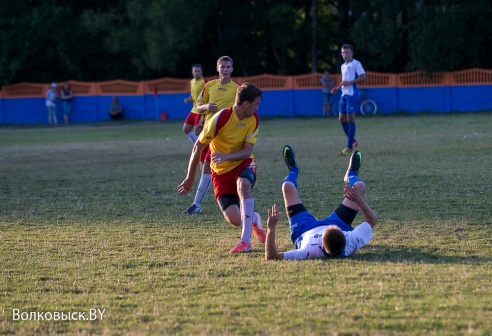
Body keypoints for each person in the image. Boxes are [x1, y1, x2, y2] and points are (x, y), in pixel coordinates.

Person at [177, 83, 266, 254]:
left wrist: (226, 156)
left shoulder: (253, 118)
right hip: (220, 171)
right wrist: (190, 177)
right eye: (256, 104)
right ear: (246, 104)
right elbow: (198, 146)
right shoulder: (220, 119)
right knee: (233, 219)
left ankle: (245, 242)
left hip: (244, 163)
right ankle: (253, 219)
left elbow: (248, 150)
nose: (258, 107)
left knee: (244, 186)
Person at [265, 145, 376, 260]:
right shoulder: (351, 241)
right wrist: (358, 200)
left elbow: (272, 257)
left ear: (321, 244)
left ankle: (293, 170)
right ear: (344, 235)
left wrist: (271, 228)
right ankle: (351, 174)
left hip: (304, 229)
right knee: (360, 186)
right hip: (338, 223)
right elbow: (371, 220)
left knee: (287, 186)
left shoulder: (308, 251)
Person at [181, 56, 239, 215]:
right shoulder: (209, 86)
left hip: (224, 137)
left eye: (228, 67)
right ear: (217, 68)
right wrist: (206, 106)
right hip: (208, 134)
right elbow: (198, 107)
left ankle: (197, 204)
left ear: (232, 69)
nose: (225, 69)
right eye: (222, 67)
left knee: (208, 166)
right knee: (205, 167)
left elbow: (242, 111)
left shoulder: (237, 89)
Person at [331, 44, 366, 156]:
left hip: (352, 94)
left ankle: (349, 146)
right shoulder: (342, 66)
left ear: (351, 53)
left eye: (346, 52)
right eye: (343, 53)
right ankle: (353, 140)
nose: (344, 55)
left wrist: (349, 83)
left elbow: (363, 77)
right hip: (343, 94)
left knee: (350, 119)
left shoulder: (356, 64)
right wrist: (337, 87)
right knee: (341, 119)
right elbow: (344, 80)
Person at [183, 64, 208, 144]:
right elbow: (193, 96)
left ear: (201, 72)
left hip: (201, 111)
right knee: (186, 129)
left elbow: (210, 95)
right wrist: (189, 99)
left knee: (197, 131)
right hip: (194, 110)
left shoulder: (205, 81)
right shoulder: (192, 81)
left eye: (198, 71)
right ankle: (196, 147)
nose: (196, 73)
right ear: (192, 72)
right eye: (195, 71)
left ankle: (203, 149)